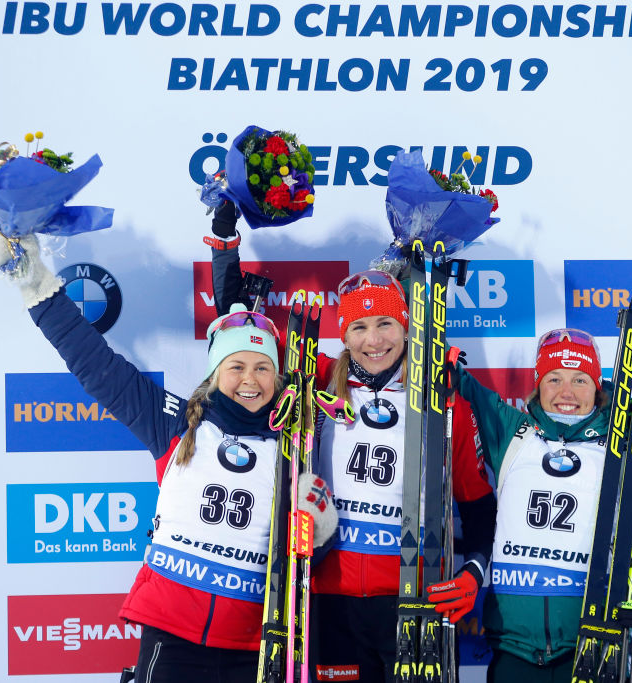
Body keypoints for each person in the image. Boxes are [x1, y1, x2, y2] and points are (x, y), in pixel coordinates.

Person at [0, 233, 337, 683]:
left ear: (277, 374)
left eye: (262, 367)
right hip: (173, 636)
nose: (249, 380)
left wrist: (321, 530)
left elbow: (309, 558)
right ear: (215, 372)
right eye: (236, 366)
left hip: (256, 643)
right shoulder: (178, 424)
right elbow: (96, 366)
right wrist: (35, 284)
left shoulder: (295, 443)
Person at [207, 205, 497, 683]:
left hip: (412, 596)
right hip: (325, 599)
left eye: (385, 325)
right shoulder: (315, 380)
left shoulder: (445, 405)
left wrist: (474, 574)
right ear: (343, 336)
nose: (373, 341)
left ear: (406, 327)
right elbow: (240, 337)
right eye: (358, 328)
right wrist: (225, 243)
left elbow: (478, 505)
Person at [450, 328, 632, 683]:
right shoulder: (512, 432)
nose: (566, 393)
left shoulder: (626, 454)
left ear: (597, 386)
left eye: (579, 379)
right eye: (554, 378)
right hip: (512, 652)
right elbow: (456, 378)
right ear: (537, 384)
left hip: (593, 648)